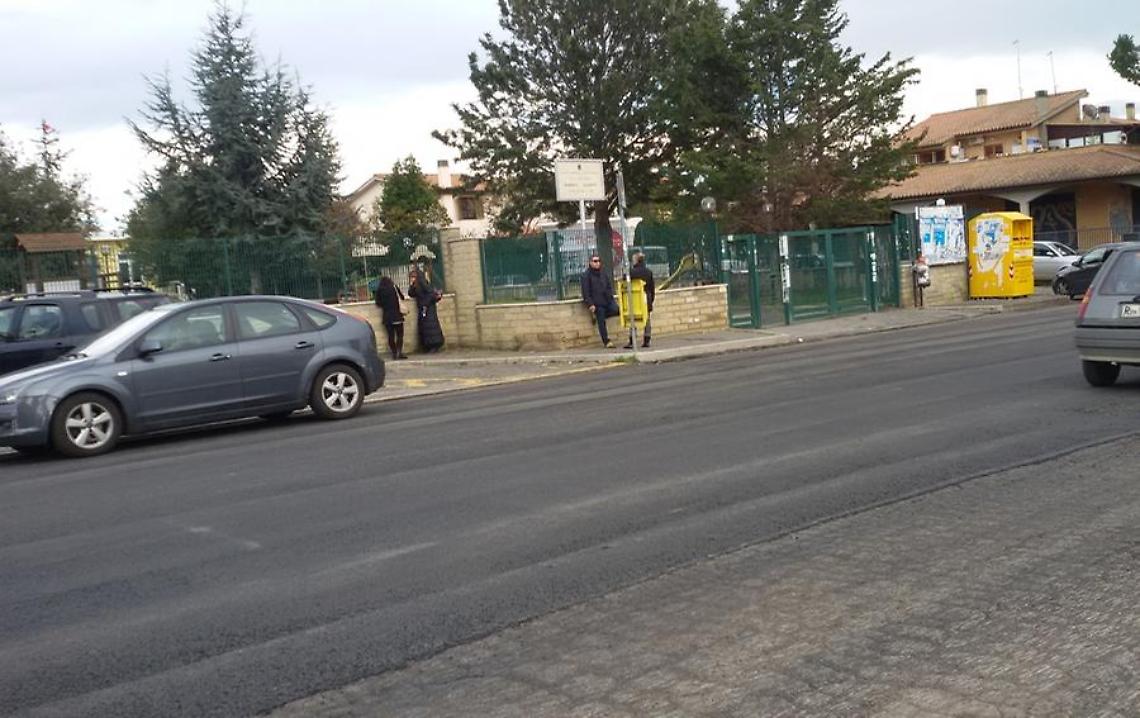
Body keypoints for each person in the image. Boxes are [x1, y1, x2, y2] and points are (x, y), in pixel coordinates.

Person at [581, 254, 620, 348]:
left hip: (607, 300)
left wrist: (610, 296)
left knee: (617, 310)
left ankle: (598, 317)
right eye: (595, 261)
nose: (597, 263)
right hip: (597, 303)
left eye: (599, 261)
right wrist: (590, 304)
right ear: (590, 263)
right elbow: (585, 292)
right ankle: (606, 341)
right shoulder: (586, 276)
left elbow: (608, 285)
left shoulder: (603, 273)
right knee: (601, 320)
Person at [409, 268, 445, 353]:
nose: (412, 279)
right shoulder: (416, 285)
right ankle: (427, 345)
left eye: (413, 277)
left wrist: (425, 304)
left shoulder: (423, 284)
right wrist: (411, 285)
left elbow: (431, 294)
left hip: (428, 309)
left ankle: (434, 345)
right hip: (423, 308)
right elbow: (411, 294)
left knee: (430, 327)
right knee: (425, 328)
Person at [373, 275, 408, 360]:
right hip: (397, 316)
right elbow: (402, 297)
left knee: (390, 336)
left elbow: (378, 303)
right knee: (400, 335)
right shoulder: (394, 287)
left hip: (387, 317)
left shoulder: (379, 290)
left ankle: (394, 353)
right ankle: (399, 352)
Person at [625, 252, 655, 349]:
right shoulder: (648, 272)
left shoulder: (632, 272)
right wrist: (651, 299)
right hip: (646, 297)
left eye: (633, 259)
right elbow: (652, 287)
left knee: (632, 319)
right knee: (647, 319)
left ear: (636, 260)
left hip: (634, 298)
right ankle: (647, 340)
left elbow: (624, 280)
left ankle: (632, 340)